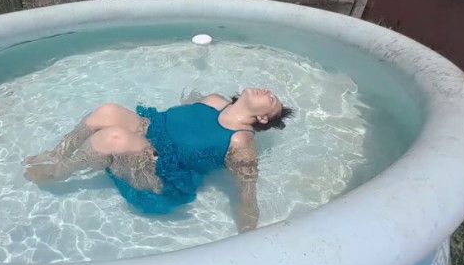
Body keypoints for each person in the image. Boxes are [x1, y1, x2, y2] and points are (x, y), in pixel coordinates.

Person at [23, 88, 293, 233]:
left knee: (113, 137)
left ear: (263, 119)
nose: (268, 92)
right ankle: (58, 153)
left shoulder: (241, 143)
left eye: (273, 101)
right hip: (150, 132)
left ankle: (59, 172)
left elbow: (247, 191)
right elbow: (182, 117)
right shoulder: (214, 101)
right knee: (108, 111)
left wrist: (249, 232)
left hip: (159, 172)